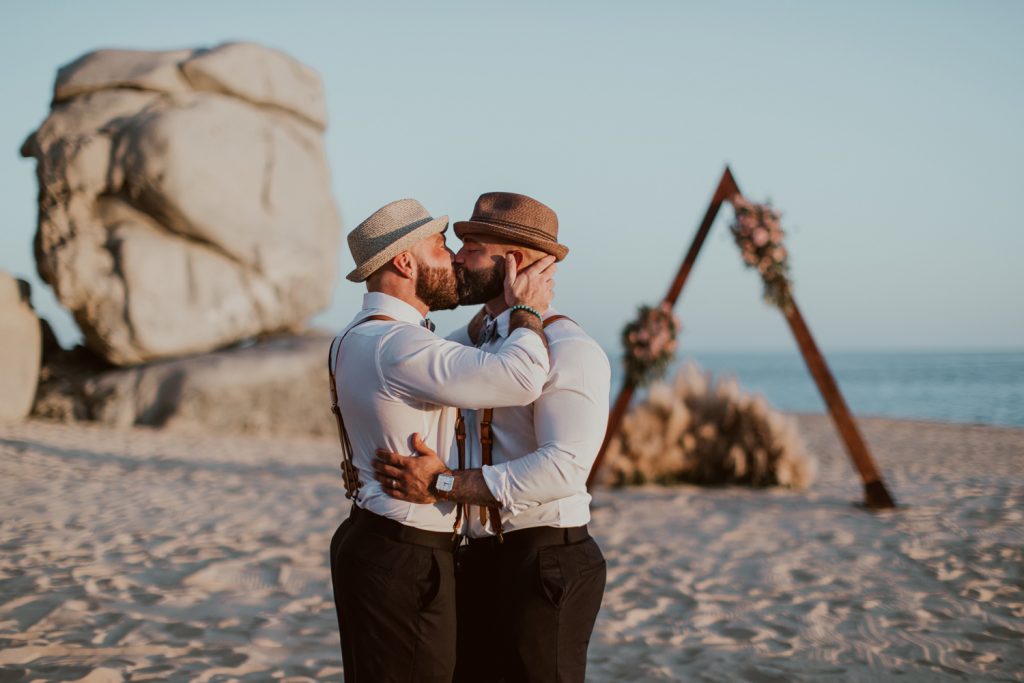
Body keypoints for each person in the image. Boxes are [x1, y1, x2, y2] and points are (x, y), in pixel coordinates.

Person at [373, 192, 611, 683]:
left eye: (472, 247)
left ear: (514, 263)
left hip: (545, 563)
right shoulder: (479, 340)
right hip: (478, 558)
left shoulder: (571, 350)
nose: (457, 258)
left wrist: (445, 485)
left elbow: (564, 467)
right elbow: (438, 355)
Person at [329, 197, 558, 683]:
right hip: (405, 557)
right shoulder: (400, 346)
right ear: (405, 261)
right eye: (440, 245)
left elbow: (448, 354)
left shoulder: (360, 336)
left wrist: (487, 317)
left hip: (372, 540)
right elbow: (521, 378)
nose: (453, 256)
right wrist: (525, 309)